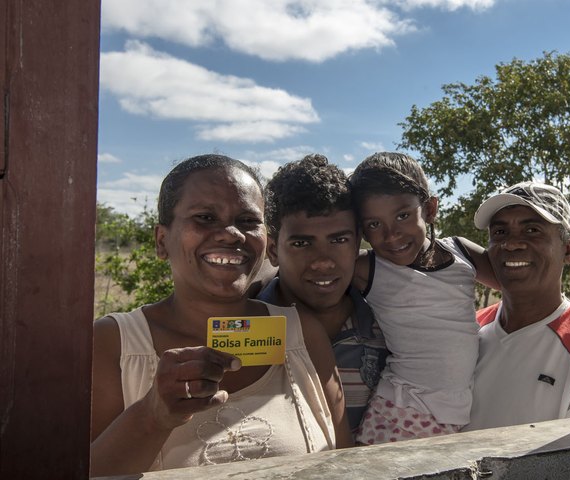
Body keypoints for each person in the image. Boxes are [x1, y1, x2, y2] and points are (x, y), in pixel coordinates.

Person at [90, 154, 352, 477]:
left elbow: (348, 465)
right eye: (204, 218)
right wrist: (152, 416)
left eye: (247, 221)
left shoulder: (301, 334)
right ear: (161, 241)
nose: (230, 234)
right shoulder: (113, 344)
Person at [349, 152, 498, 445]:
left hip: (455, 412)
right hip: (399, 411)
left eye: (403, 216)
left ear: (430, 209)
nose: (391, 234)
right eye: (374, 225)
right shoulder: (369, 267)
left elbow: (516, 283)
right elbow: (304, 272)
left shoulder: (461, 252)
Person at [463, 181, 570, 431]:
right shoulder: (467, 330)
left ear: (569, 249)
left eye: (533, 231)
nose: (512, 244)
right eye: (500, 233)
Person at [255, 153, 389, 435]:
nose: (323, 262)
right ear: (273, 250)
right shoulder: (240, 328)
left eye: (339, 240)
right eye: (302, 243)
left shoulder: (391, 326)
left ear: (357, 245)